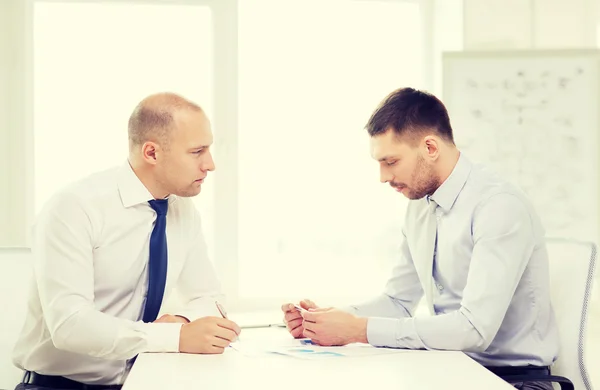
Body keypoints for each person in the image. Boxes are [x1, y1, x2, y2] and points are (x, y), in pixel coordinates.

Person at [282, 88, 559, 390]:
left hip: (514, 380)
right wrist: (327, 322)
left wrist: (358, 330)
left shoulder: (498, 206)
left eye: (391, 162)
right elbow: (398, 301)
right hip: (449, 368)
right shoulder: (419, 207)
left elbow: (474, 329)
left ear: (430, 147)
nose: (383, 177)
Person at [13, 93, 241, 390]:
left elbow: (210, 298)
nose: (210, 165)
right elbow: (70, 326)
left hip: (139, 382)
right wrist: (175, 337)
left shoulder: (182, 210)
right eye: (197, 151)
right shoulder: (74, 208)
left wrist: (181, 320)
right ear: (151, 153)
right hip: (57, 386)